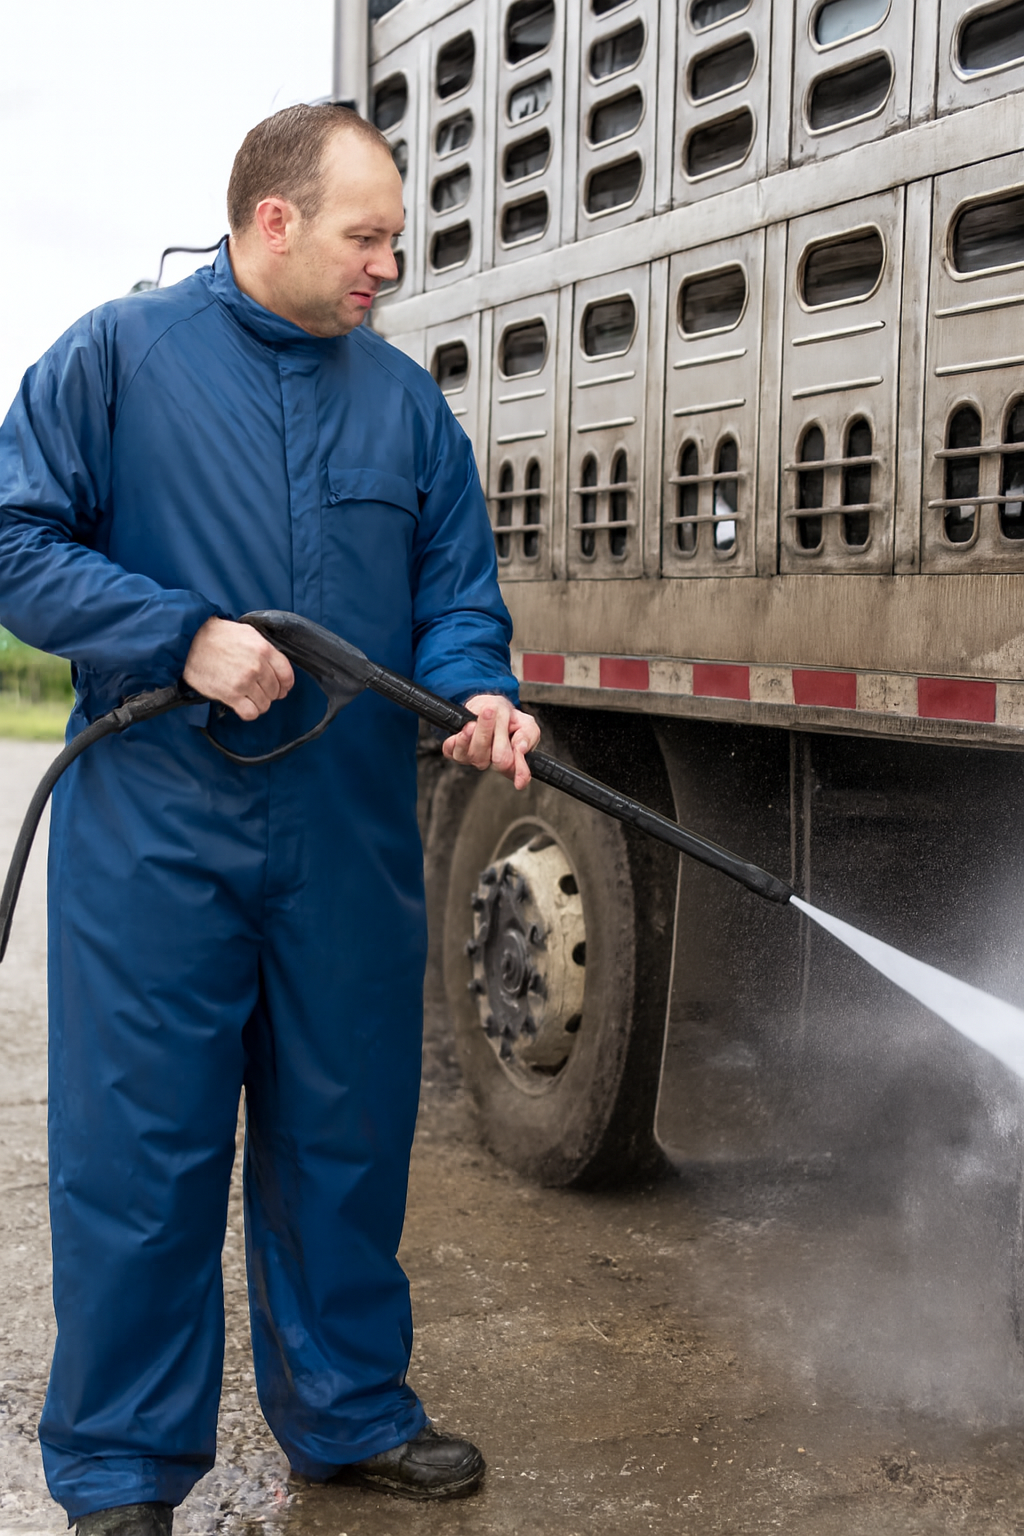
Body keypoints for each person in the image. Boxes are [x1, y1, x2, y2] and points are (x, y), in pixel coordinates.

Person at [0, 104, 540, 1530]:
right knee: (142, 1154)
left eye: (397, 242)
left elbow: (456, 597)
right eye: (370, 237)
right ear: (274, 218)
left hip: (347, 834)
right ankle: (121, 1470)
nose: (389, 268)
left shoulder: (406, 405)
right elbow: (13, 536)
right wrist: (180, 635)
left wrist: (481, 692)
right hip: (156, 828)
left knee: (347, 1137)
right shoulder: (119, 358)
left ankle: (350, 1410)